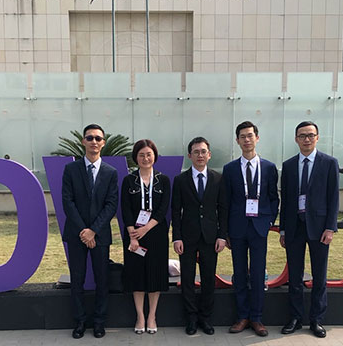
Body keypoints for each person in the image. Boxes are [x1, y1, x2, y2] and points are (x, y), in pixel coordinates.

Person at [279, 121, 339, 338]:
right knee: (294, 276)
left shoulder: (329, 163)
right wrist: (283, 230)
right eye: (302, 136)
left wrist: (330, 227)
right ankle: (295, 318)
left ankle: (316, 320)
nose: (306, 139)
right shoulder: (288, 165)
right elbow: (286, 200)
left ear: (317, 137)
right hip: (294, 227)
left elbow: (333, 197)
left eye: (310, 135)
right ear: (296, 139)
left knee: (319, 276)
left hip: (319, 228)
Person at [61, 124, 119, 339]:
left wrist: (93, 231)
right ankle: (79, 322)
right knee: (77, 279)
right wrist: (84, 231)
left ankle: (99, 322)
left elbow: (111, 205)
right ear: (83, 141)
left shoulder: (110, 172)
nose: (94, 141)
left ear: (103, 143)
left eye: (98, 138)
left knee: (102, 280)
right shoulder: (71, 169)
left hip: (100, 235)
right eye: (90, 138)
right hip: (76, 234)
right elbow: (67, 202)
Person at [222, 121, 279, 336]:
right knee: (239, 273)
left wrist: (269, 221)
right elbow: (226, 202)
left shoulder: (269, 168)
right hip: (237, 228)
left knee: (257, 273)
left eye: (250, 135)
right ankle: (242, 316)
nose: (246, 140)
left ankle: (256, 318)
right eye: (242, 137)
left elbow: (273, 198)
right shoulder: (229, 169)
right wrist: (225, 231)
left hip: (259, 227)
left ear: (257, 138)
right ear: (237, 141)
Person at [171, 136, 228, 336]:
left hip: (211, 237)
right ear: (190, 155)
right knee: (187, 279)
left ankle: (205, 318)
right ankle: (191, 318)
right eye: (196, 152)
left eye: (203, 151)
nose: (200, 155)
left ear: (209, 155)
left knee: (208, 278)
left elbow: (223, 209)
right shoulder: (180, 180)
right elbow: (175, 211)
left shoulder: (218, 179)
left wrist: (222, 236)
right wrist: (176, 237)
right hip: (187, 237)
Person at [120, 139, 170, 335]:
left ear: (154, 156)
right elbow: (125, 209)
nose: (145, 158)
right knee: (137, 275)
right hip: (134, 235)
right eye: (141, 155)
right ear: (136, 157)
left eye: (149, 154)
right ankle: (140, 316)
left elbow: (163, 209)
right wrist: (133, 235)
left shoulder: (163, 180)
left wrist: (146, 228)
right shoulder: (128, 180)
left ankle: (152, 316)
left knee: (155, 275)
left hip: (156, 233)